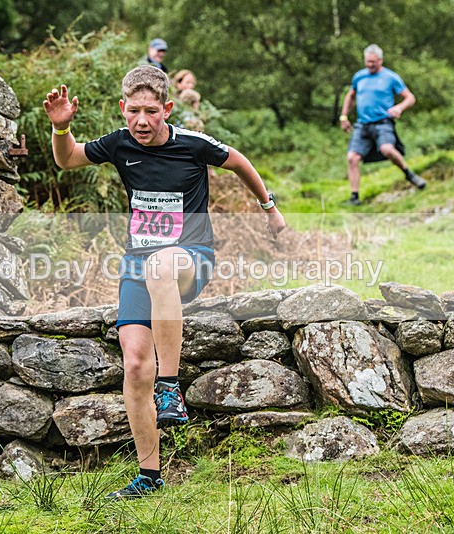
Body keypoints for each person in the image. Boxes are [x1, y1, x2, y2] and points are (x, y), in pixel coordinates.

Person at [43, 65, 285, 499]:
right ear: (123, 108)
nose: (140, 121)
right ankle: (149, 477)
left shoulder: (193, 145)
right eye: (133, 111)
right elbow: (67, 160)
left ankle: (170, 389)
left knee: (161, 265)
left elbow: (240, 163)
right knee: (135, 364)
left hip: (190, 260)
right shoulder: (119, 143)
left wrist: (269, 208)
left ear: (167, 109)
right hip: (138, 267)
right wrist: (61, 129)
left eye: (150, 111)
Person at [339, 44, 426, 206]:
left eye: (374, 62)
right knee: (352, 158)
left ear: (381, 60)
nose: (370, 65)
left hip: (383, 123)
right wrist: (344, 116)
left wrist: (399, 107)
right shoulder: (359, 77)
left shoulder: (390, 77)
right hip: (362, 124)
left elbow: (410, 98)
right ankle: (354, 197)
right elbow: (350, 96)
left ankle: (409, 174)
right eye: (368, 62)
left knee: (387, 149)